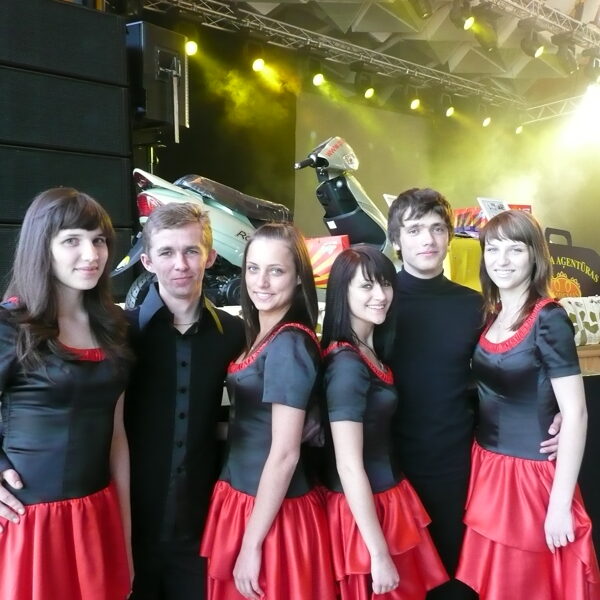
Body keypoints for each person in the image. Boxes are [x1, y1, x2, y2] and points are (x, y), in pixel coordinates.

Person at [386, 188, 561, 600]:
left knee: (458, 583)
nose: (427, 239)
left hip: (461, 466)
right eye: (414, 230)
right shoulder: (378, 303)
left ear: (450, 237)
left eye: (436, 229)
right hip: (390, 469)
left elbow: (513, 369)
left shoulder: (476, 306)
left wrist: (559, 413)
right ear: (396, 240)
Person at [455, 209, 600, 599]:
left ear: (535, 256)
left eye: (515, 249)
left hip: (531, 477)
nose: (501, 260)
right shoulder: (493, 315)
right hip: (489, 467)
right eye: (493, 249)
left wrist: (559, 505)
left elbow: (576, 413)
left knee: (528, 585)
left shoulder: (548, 318)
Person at [0, 188, 132, 600]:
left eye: (98, 240)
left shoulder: (114, 325)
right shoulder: (11, 325)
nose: (91, 254)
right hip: (29, 525)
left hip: (97, 515)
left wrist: (126, 540)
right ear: (43, 247)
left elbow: (117, 437)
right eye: (72, 240)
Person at [200, 223, 336, 600]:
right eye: (253, 268)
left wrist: (251, 544)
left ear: (298, 278)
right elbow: (254, 424)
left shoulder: (289, 343)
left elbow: (285, 453)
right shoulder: (263, 333)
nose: (261, 282)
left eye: (276, 271)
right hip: (241, 497)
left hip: (273, 513)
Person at [124, 203, 245, 600]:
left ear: (210, 256)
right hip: (127, 526)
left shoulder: (235, 333)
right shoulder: (120, 333)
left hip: (201, 528)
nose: (181, 264)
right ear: (147, 261)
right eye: (167, 252)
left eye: (192, 250)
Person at [320, 245, 449, 599]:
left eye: (385, 284)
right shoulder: (346, 364)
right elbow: (348, 464)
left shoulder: (367, 352)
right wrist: (377, 553)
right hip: (363, 513)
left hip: (388, 501)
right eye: (366, 286)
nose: (380, 295)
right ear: (342, 292)